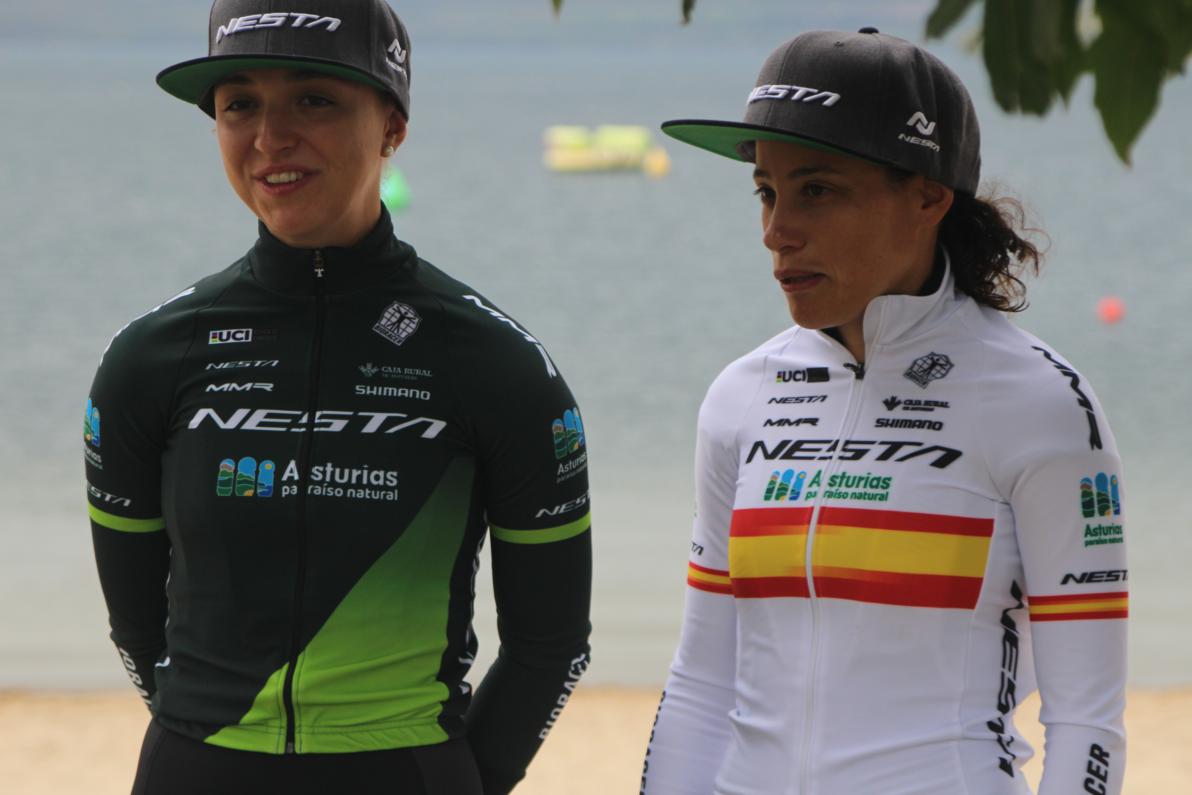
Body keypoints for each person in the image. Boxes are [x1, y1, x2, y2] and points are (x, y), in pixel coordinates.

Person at [84, 2, 592, 793]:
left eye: (313, 99)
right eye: (239, 104)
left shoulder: (495, 363)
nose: (269, 137)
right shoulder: (149, 360)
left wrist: (464, 778)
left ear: (393, 124)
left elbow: (551, 645)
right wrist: (211, 728)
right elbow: (136, 629)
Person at [640, 28, 1126, 795]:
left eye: (817, 190)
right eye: (766, 191)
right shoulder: (741, 396)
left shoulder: (1040, 404)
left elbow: (1087, 723)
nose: (776, 231)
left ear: (929, 196)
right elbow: (701, 686)